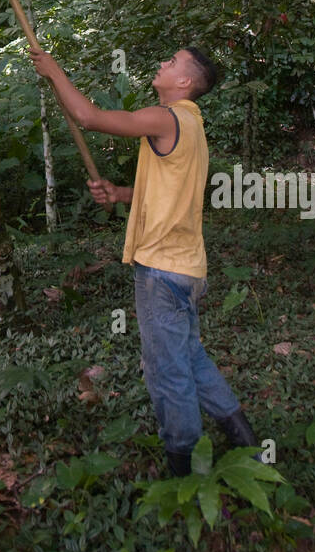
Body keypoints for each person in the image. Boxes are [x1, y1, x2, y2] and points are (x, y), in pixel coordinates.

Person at [28, 45, 259, 476]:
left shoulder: (166, 116)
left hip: (162, 271)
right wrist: (119, 195)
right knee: (189, 357)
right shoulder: (191, 125)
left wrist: (55, 71)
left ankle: (184, 472)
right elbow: (170, 193)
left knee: (166, 372)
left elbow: (89, 118)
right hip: (187, 269)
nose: (162, 63)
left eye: (171, 62)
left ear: (186, 82)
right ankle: (245, 438)